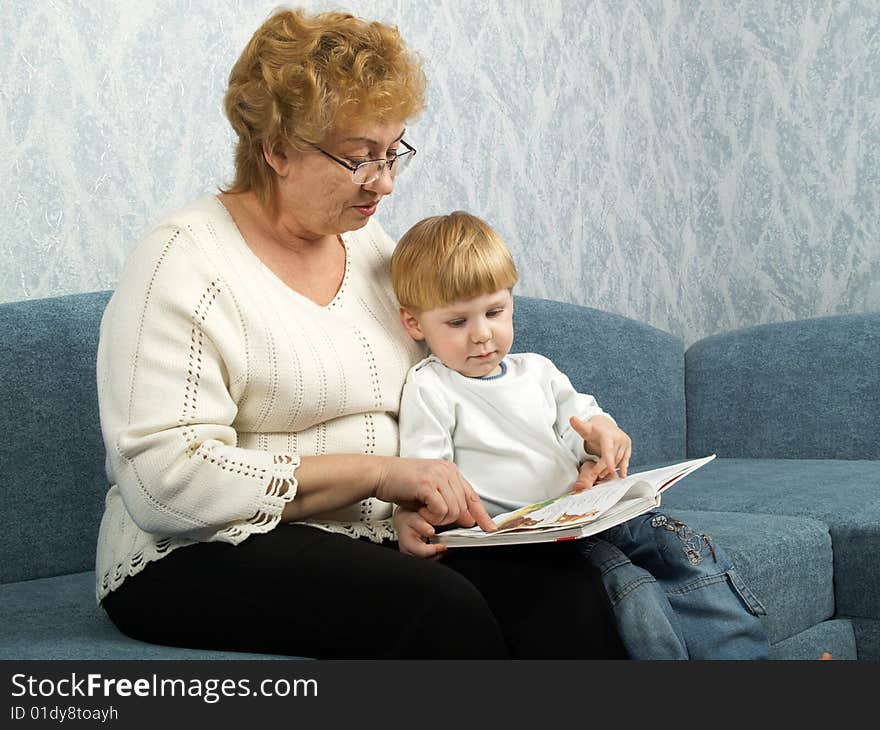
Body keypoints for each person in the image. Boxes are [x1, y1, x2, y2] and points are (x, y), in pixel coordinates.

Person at [95, 7, 625, 659]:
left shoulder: (374, 249)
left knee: (565, 592)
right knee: (439, 608)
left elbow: (458, 389)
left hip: (374, 533)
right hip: (196, 550)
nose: (386, 182)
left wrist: (569, 451)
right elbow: (161, 481)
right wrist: (379, 475)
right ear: (276, 148)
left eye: (392, 151)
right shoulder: (183, 261)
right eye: (358, 159)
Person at [390, 211, 770, 659]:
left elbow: (584, 425)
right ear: (415, 325)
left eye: (495, 312)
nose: (482, 335)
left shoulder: (539, 371)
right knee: (627, 587)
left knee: (684, 551)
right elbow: (427, 474)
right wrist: (422, 512)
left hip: (588, 513)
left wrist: (603, 437)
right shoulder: (431, 386)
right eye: (457, 323)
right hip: (526, 541)